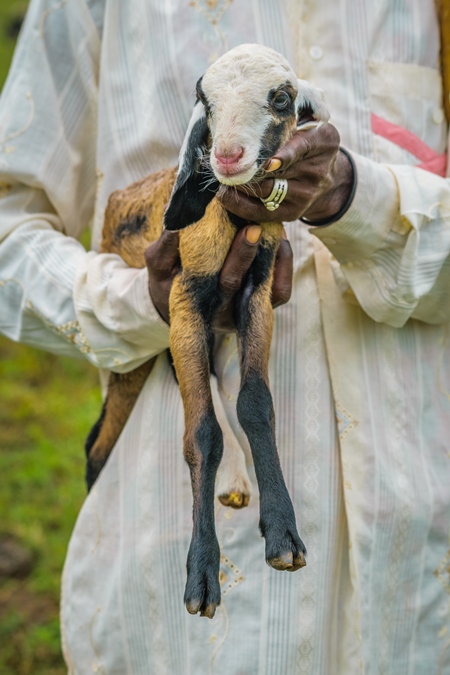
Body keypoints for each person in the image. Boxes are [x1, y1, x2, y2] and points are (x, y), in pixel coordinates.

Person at [0, 0, 449, 673]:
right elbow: (11, 223)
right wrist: (143, 298)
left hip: (412, 576)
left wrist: (355, 198)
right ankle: (203, 548)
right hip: (179, 621)